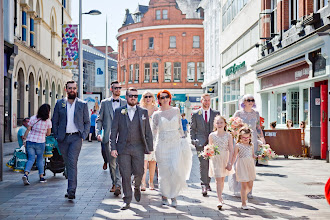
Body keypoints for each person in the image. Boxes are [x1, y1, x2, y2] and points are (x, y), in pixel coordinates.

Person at [110, 87, 153, 210]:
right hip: (123, 148)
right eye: (131, 96)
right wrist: (113, 147)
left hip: (138, 147)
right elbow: (113, 131)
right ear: (126, 97)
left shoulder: (143, 112)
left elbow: (148, 131)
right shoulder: (119, 111)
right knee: (125, 174)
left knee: (140, 172)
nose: (133, 98)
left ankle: (137, 186)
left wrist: (149, 148)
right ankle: (127, 199)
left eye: (135, 96)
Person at [153, 90, 192, 207]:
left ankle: (174, 195)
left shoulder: (176, 110)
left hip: (175, 143)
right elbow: (154, 132)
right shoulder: (157, 114)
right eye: (162, 97)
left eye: (166, 97)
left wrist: (184, 140)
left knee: (175, 169)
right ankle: (164, 195)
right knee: (164, 172)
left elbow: (180, 127)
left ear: (170, 98)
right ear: (159, 100)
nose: (164, 99)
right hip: (162, 144)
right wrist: (152, 147)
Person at [52, 80, 90, 200]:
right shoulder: (59, 103)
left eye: (74, 88)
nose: (72, 90)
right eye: (70, 88)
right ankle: (70, 186)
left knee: (72, 163)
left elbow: (87, 122)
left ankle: (71, 190)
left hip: (76, 138)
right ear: (66, 89)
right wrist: (57, 135)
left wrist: (83, 135)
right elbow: (55, 121)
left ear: (77, 89)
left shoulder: (82, 104)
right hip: (63, 138)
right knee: (67, 163)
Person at [228, 94, 265, 198]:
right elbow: (232, 128)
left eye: (252, 100)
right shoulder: (238, 113)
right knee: (238, 165)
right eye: (248, 100)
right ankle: (237, 189)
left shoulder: (256, 114)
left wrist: (262, 139)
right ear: (243, 102)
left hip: (251, 142)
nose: (250, 101)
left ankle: (249, 190)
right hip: (240, 142)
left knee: (250, 165)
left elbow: (258, 127)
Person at [96, 81, 126, 196]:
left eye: (119, 88)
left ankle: (117, 184)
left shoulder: (125, 102)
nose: (118, 90)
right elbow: (99, 120)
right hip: (108, 137)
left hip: (122, 137)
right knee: (112, 163)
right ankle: (116, 183)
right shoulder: (105, 103)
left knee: (120, 162)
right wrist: (98, 132)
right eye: (116, 88)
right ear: (111, 89)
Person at [190, 93, 220, 196]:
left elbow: (219, 127)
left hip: (213, 143)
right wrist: (193, 140)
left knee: (211, 164)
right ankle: (204, 184)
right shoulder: (195, 113)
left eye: (208, 100)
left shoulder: (216, 113)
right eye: (205, 100)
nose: (207, 102)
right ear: (201, 101)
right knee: (203, 164)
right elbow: (192, 129)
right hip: (200, 143)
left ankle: (207, 182)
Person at [208, 115, 234, 209]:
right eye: (217, 123)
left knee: (222, 179)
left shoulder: (228, 135)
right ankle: (219, 199)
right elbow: (209, 148)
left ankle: (220, 196)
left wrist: (230, 162)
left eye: (221, 122)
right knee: (218, 179)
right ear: (215, 124)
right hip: (215, 159)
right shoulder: (212, 135)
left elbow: (231, 149)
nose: (219, 124)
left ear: (225, 124)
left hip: (225, 158)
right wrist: (207, 152)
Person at [22, 104, 52, 185]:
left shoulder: (33, 118)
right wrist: (43, 132)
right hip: (40, 142)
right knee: (39, 159)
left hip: (30, 141)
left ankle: (26, 174)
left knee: (31, 159)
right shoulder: (48, 121)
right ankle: (41, 177)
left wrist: (24, 137)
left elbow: (28, 129)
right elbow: (48, 133)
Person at [229, 127, 256, 210]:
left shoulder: (251, 145)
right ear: (240, 137)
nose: (245, 139)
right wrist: (230, 165)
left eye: (247, 137)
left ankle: (244, 195)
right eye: (244, 137)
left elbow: (252, 155)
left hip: (250, 165)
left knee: (250, 185)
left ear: (250, 137)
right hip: (241, 165)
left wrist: (258, 156)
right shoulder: (238, 145)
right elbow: (234, 156)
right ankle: (243, 203)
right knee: (243, 185)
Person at [140, 91, 158, 191]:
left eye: (149, 96)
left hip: (154, 138)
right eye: (145, 96)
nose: (148, 98)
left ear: (152, 98)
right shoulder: (140, 109)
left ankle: (151, 182)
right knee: (144, 160)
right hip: (143, 138)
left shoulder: (156, 110)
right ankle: (143, 182)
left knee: (152, 161)